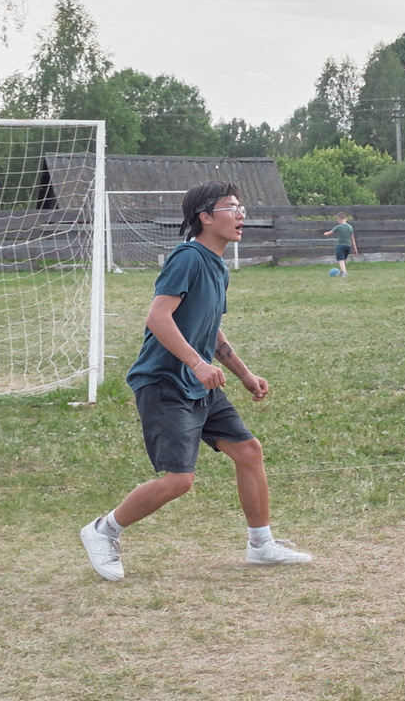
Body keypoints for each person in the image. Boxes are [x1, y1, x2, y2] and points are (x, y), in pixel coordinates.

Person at [81, 182, 310, 582]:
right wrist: (196, 364)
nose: (241, 215)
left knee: (248, 451)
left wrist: (244, 374)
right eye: (232, 208)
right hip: (164, 381)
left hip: (198, 383)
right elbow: (158, 317)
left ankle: (261, 545)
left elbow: (211, 330)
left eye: (241, 207)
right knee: (179, 480)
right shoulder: (187, 257)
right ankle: (103, 531)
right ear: (205, 217)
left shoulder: (217, 266)